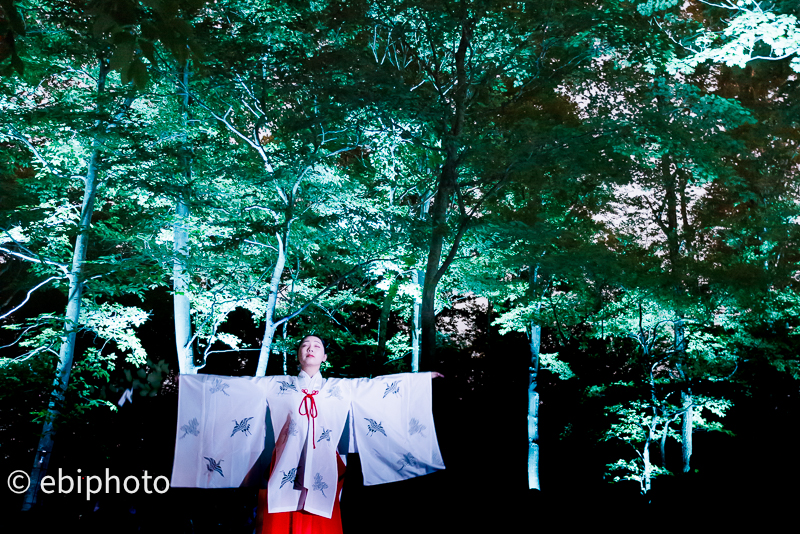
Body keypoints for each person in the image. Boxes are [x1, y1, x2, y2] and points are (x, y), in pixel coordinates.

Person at [170, 334, 445, 534]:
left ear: (324, 357)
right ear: (298, 354)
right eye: (305, 345)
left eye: (317, 346)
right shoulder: (276, 385)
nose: (310, 348)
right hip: (283, 468)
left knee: (322, 523)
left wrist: (421, 380)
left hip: (326, 467)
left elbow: (375, 388)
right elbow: (238, 388)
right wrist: (193, 383)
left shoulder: (341, 388)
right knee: (277, 522)